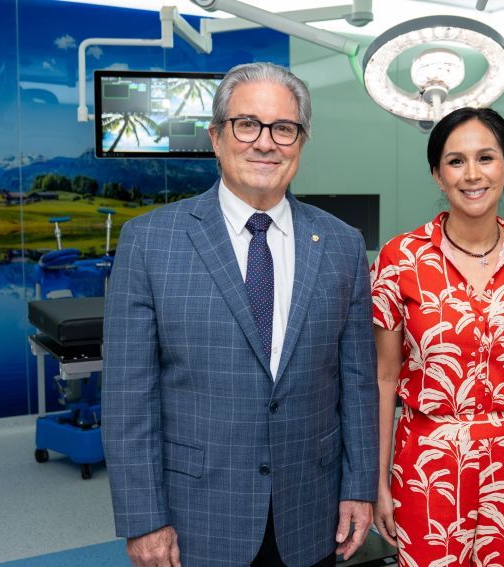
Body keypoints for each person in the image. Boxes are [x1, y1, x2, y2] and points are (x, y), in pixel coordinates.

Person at [102, 62, 379, 567]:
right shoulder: (150, 242)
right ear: (216, 136)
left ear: (301, 141)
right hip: (196, 516)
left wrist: (359, 486)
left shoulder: (342, 244)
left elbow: (358, 382)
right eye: (247, 124)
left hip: (311, 510)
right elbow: (128, 398)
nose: (265, 143)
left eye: (284, 128)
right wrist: (144, 517)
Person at [370, 107, 504, 566]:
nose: (472, 174)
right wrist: (377, 481)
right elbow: (384, 379)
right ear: (438, 175)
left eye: (486, 158)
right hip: (427, 467)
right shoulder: (401, 259)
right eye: (456, 161)